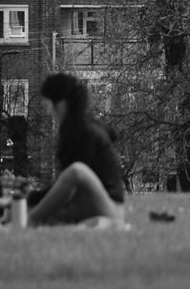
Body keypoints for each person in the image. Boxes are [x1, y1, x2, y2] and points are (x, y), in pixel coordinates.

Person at [26, 73, 128, 228]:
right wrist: (30, 199)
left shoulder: (84, 132)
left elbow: (72, 179)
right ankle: (25, 216)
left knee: (77, 171)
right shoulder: (76, 129)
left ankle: (28, 220)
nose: (48, 113)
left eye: (48, 107)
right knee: (37, 210)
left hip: (108, 208)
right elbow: (63, 186)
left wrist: (32, 198)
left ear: (60, 103)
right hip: (87, 202)